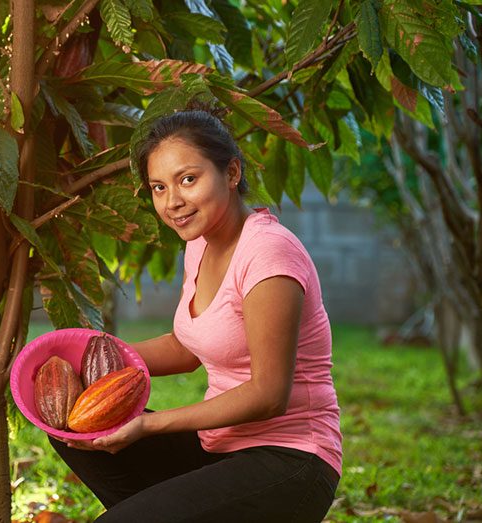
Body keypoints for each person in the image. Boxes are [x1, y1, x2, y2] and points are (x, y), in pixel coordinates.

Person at [48, 102, 343, 523]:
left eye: (188, 179)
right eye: (158, 187)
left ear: (232, 173)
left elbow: (269, 394)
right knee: (72, 426)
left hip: (291, 460)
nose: (173, 202)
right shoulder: (201, 242)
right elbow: (185, 349)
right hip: (219, 449)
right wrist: (82, 357)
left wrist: (149, 425)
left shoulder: (268, 255)